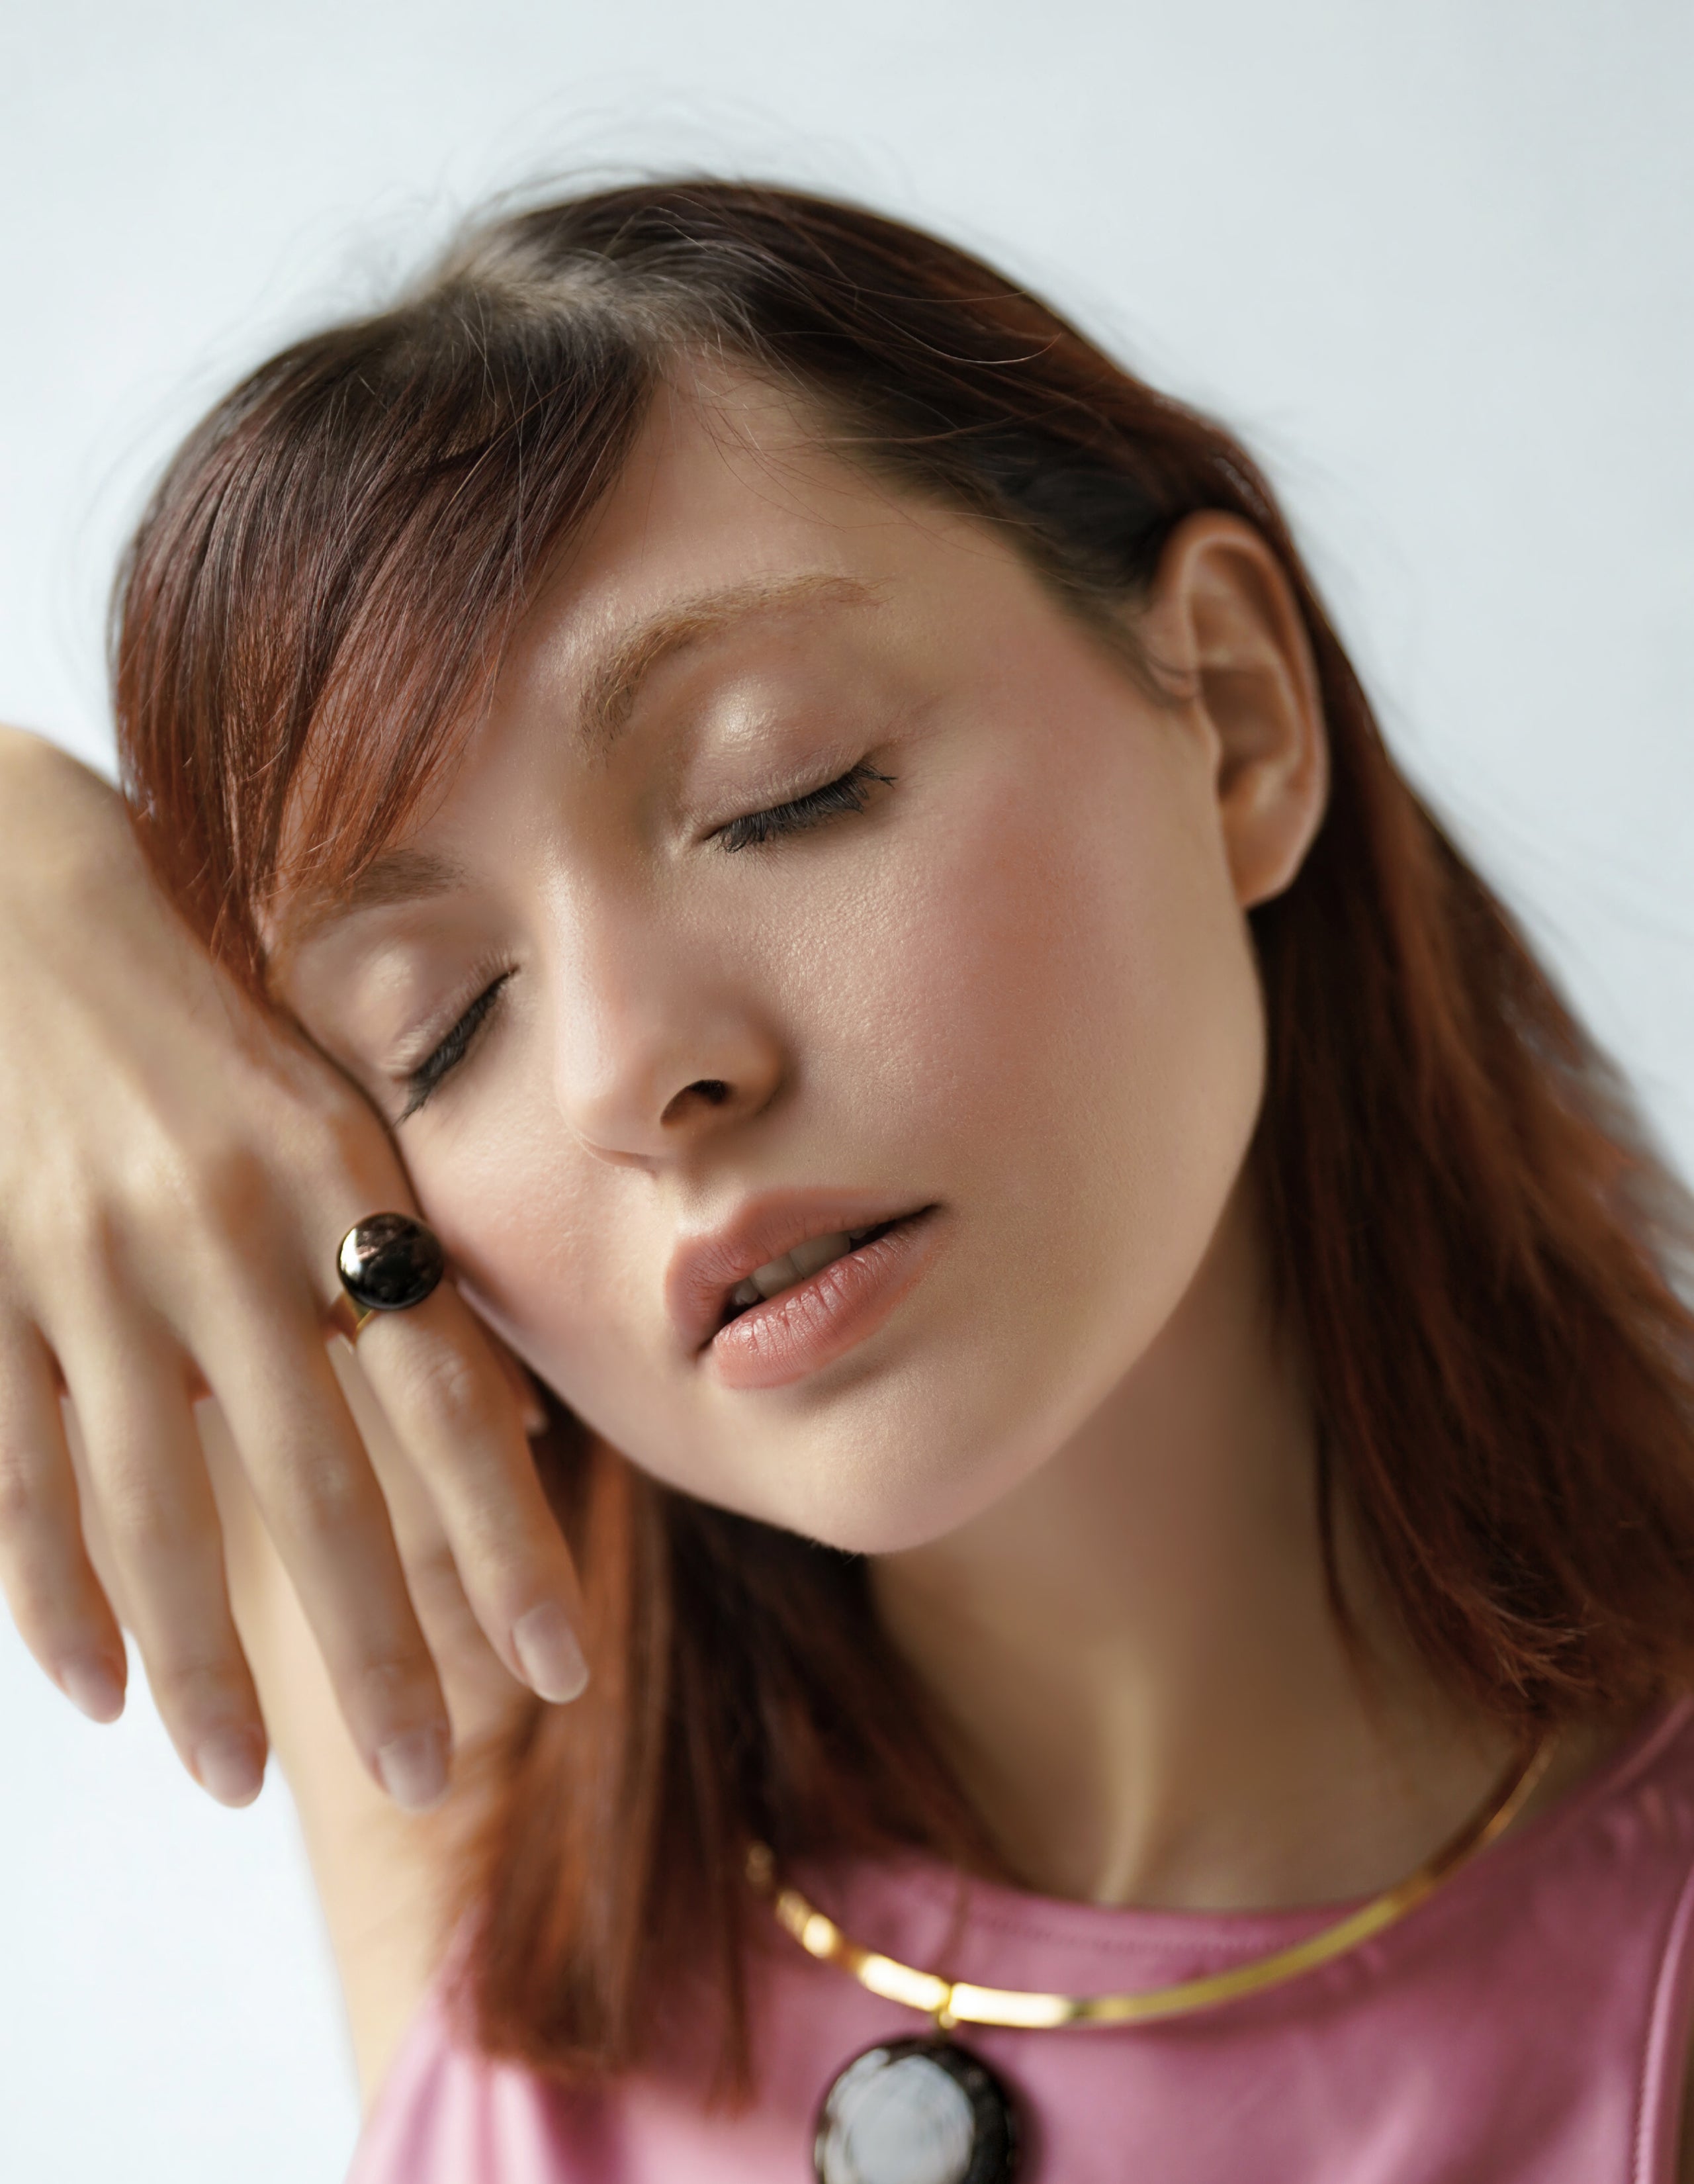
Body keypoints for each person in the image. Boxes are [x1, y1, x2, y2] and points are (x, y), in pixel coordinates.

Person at [3, 179, 1693, 2184]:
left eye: (779, 792)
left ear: (1234, 717)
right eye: (438, 1029)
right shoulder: (473, 1748)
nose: (636, 1074)